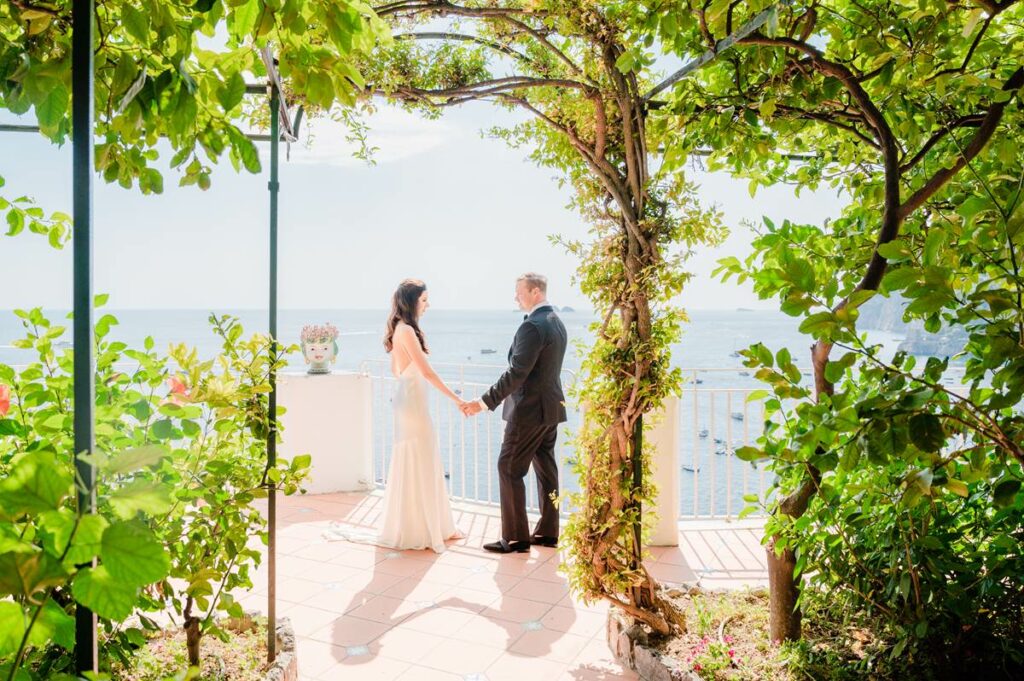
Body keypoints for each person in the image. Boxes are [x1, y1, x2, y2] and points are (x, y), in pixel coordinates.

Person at [461, 273, 568, 553]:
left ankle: (517, 538)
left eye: (518, 292)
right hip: (551, 409)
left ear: (534, 292)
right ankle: (547, 533)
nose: (515, 297)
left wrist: (483, 403)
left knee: (508, 468)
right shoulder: (556, 322)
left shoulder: (532, 326)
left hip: (529, 412)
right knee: (547, 470)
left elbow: (517, 373)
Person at [372, 279, 465, 552]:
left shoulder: (399, 330)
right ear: (412, 302)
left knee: (415, 458)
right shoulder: (408, 332)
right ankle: (425, 529)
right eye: (424, 300)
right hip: (412, 404)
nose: (427, 305)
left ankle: (422, 525)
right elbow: (427, 372)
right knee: (422, 458)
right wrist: (457, 399)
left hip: (406, 400)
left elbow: (396, 370)